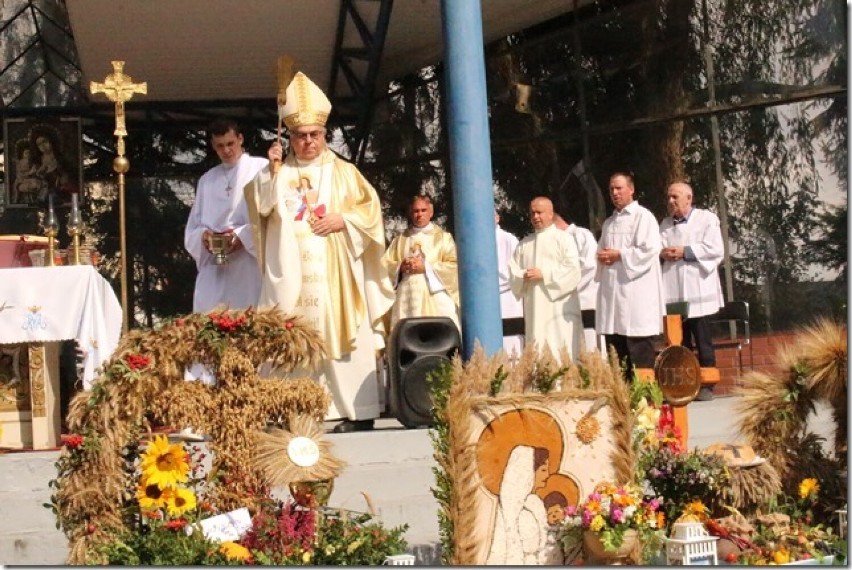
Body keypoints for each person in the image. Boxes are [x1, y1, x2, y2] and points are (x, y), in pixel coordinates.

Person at [244, 71, 394, 433]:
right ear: (289, 137)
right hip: (291, 274)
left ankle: (354, 410)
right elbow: (259, 207)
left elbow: (371, 211)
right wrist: (269, 171)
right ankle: (293, 410)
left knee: (341, 336)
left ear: (325, 135)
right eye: (300, 136)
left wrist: (343, 220)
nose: (308, 142)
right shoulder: (276, 172)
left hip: (335, 273)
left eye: (315, 135)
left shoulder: (344, 172)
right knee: (292, 335)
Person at [184, 117, 266, 314]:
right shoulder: (207, 180)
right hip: (215, 265)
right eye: (220, 146)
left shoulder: (261, 169)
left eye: (230, 143)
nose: (226, 150)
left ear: (240, 139)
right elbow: (193, 228)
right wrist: (204, 236)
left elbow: (268, 216)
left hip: (248, 262)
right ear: (213, 146)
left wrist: (241, 236)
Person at [660, 181, 725, 401]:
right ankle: (686, 383)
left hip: (698, 290)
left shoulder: (707, 219)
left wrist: (685, 251)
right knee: (681, 339)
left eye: (675, 197)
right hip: (674, 291)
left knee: (703, 339)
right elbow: (657, 248)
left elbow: (715, 249)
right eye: (669, 197)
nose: (671, 201)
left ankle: (707, 383)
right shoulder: (665, 225)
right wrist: (663, 253)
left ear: (689, 198)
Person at [596, 172, 665, 379]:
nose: (614, 193)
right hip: (614, 300)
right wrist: (601, 257)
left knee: (640, 358)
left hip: (636, 301)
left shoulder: (643, 217)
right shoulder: (609, 223)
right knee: (618, 360)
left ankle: (645, 406)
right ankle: (623, 402)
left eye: (619, 188)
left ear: (631, 189)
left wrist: (620, 255)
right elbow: (599, 252)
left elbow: (650, 250)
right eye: (611, 189)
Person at [509, 197, 583, 362]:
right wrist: (523, 276)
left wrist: (545, 275)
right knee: (537, 343)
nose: (535, 217)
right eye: (532, 213)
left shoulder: (564, 239)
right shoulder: (524, 244)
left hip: (558, 308)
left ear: (550, 214)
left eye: (540, 212)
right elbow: (513, 272)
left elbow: (573, 270)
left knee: (559, 345)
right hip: (534, 306)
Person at [382, 194, 460, 331]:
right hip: (407, 298)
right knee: (406, 337)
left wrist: (426, 267)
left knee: (438, 337)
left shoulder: (443, 238)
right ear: (410, 214)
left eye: (423, 210)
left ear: (431, 212)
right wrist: (400, 267)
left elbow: (454, 266)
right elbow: (384, 265)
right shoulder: (400, 240)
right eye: (415, 211)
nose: (419, 214)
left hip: (435, 297)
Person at [486, 445, 550, 565]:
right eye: (543, 470)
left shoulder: (535, 504)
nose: (547, 475)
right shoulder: (510, 510)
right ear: (527, 471)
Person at [554, 211, 600, 354]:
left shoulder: (581, 235)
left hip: (584, 299)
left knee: (588, 347)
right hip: (562, 304)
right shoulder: (551, 241)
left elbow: (590, 266)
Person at [494, 209, 524, 356]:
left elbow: (516, 269)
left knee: (512, 341)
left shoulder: (508, 239)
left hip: (507, 295)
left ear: (497, 218)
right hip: (487, 296)